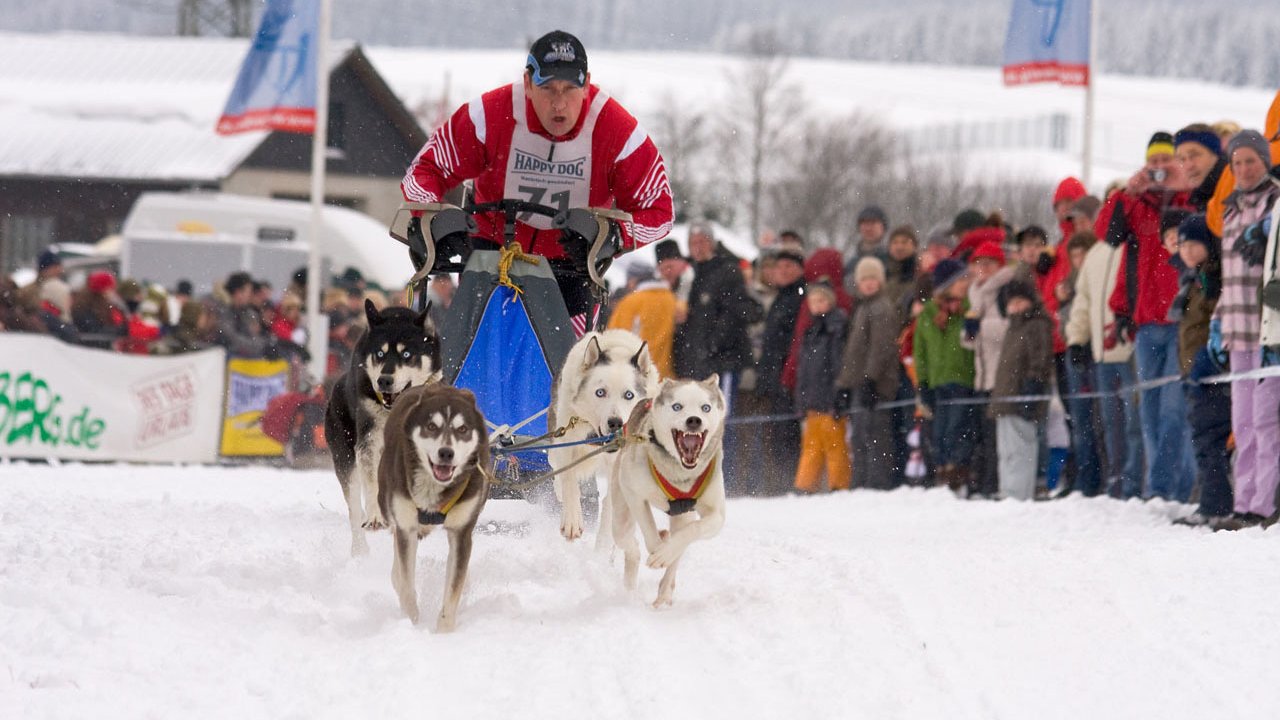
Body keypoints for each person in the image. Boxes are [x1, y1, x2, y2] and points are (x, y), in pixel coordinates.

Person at [401, 30, 674, 323]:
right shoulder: (488, 115)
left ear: (586, 85)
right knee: (476, 348)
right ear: (528, 84)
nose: (559, 103)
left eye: (570, 89)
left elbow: (660, 211)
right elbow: (423, 171)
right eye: (548, 88)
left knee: (568, 352)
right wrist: (434, 220)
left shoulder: (619, 132)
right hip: (491, 257)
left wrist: (613, 236)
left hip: (572, 268)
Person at [1097, 131, 1196, 501]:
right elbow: (1107, 235)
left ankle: (1164, 489)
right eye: (1152, 162)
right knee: (1150, 413)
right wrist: (1127, 192)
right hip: (1147, 323)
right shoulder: (1138, 206)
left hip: (1181, 319)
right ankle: (1168, 489)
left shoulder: (1190, 199)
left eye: (1165, 161)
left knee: (1174, 410)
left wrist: (1182, 186)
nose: (1159, 169)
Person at [1211, 130, 1280, 530]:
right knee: (1243, 423)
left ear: (1264, 162)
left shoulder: (1276, 203)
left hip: (1269, 330)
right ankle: (1244, 501)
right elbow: (1229, 276)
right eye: (1237, 163)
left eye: (1251, 161)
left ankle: (1264, 504)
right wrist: (1217, 321)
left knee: (1267, 421)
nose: (1243, 169)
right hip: (1237, 329)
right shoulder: (1231, 210)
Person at [1067, 227, 1144, 500]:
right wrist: (1077, 339)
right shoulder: (1095, 254)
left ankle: (1135, 484)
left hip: (1130, 350)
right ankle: (1117, 482)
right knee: (1111, 425)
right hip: (1102, 356)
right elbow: (1083, 301)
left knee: (1135, 423)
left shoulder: (1133, 245)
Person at [1166, 213, 1233, 527]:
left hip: (1214, 372)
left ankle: (1216, 505)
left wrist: (1208, 359)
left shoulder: (1213, 279)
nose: (1188, 251)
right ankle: (1213, 500)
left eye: (1194, 244)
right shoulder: (1191, 281)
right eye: (1182, 245)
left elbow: (1216, 323)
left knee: (1210, 439)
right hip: (1195, 374)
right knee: (1203, 438)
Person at [837, 257, 901, 490]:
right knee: (859, 436)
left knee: (875, 435)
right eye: (865, 279)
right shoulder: (862, 307)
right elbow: (853, 352)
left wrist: (870, 379)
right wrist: (844, 384)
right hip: (859, 382)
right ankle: (861, 482)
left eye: (873, 278)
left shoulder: (881, 308)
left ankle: (876, 483)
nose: (869, 283)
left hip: (876, 384)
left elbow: (880, 348)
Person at [913, 258, 976, 489]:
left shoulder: (969, 309)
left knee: (957, 429)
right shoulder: (928, 314)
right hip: (937, 383)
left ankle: (958, 474)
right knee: (938, 432)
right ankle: (942, 473)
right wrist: (923, 383)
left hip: (963, 380)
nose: (965, 284)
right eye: (960, 280)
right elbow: (920, 353)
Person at [960, 234, 1015, 497]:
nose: (982, 269)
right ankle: (983, 480)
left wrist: (980, 327)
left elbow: (1011, 330)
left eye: (988, 264)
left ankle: (996, 482)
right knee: (982, 432)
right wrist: (969, 332)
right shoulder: (975, 293)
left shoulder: (1005, 289)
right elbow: (970, 343)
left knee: (997, 433)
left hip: (1001, 373)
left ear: (998, 266)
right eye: (978, 263)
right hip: (982, 374)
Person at [989, 280, 1054, 501]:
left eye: (1020, 301)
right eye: (1012, 303)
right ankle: (1007, 490)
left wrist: (1033, 384)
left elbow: (1040, 358)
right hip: (1006, 397)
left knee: (1020, 449)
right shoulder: (1013, 328)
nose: (1016, 306)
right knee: (1006, 451)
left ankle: (1018, 494)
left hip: (1022, 394)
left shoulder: (1037, 324)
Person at [793, 280, 851, 493]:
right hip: (812, 400)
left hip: (829, 399)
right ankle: (805, 485)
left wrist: (839, 395)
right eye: (813, 301)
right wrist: (801, 400)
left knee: (835, 445)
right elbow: (803, 370)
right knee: (811, 446)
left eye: (821, 300)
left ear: (831, 302)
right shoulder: (810, 331)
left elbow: (838, 365)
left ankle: (839, 484)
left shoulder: (836, 328)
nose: (817, 305)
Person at [606, 262, 676, 378]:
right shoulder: (671, 298)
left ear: (634, 280)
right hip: (667, 375)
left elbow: (614, 339)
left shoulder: (631, 302)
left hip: (638, 376)